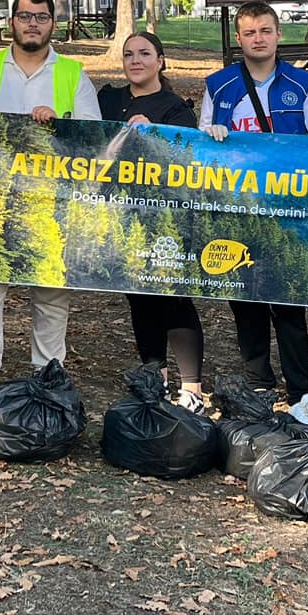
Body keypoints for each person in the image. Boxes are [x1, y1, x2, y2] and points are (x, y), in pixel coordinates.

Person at [0, 0, 101, 372]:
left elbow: (91, 141)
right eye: (24, 16)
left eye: (41, 17)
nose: (32, 24)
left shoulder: (72, 74)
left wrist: (60, 126)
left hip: (49, 203)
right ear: (12, 22)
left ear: (53, 24)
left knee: (51, 295)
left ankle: (47, 377)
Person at [201, 1, 308, 421]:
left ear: (277, 35)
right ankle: (258, 383)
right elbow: (202, 150)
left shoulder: (302, 83)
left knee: (290, 304)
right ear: (239, 39)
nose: (258, 38)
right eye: (250, 32)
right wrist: (211, 136)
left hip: (288, 211)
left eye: (266, 30)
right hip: (236, 210)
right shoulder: (218, 86)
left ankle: (301, 393)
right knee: (246, 300)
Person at [98, 31, 208, 409]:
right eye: (128, 54)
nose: (135, 61)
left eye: (144, 53)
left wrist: (154, 137)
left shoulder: (175, 109)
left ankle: (191, 389)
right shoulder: (108, 99)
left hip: (167, 219)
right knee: (140, 298)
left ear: (160, 61)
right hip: (122, 214)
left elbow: (186, 161)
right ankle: (154, 381)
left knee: (173, 297)